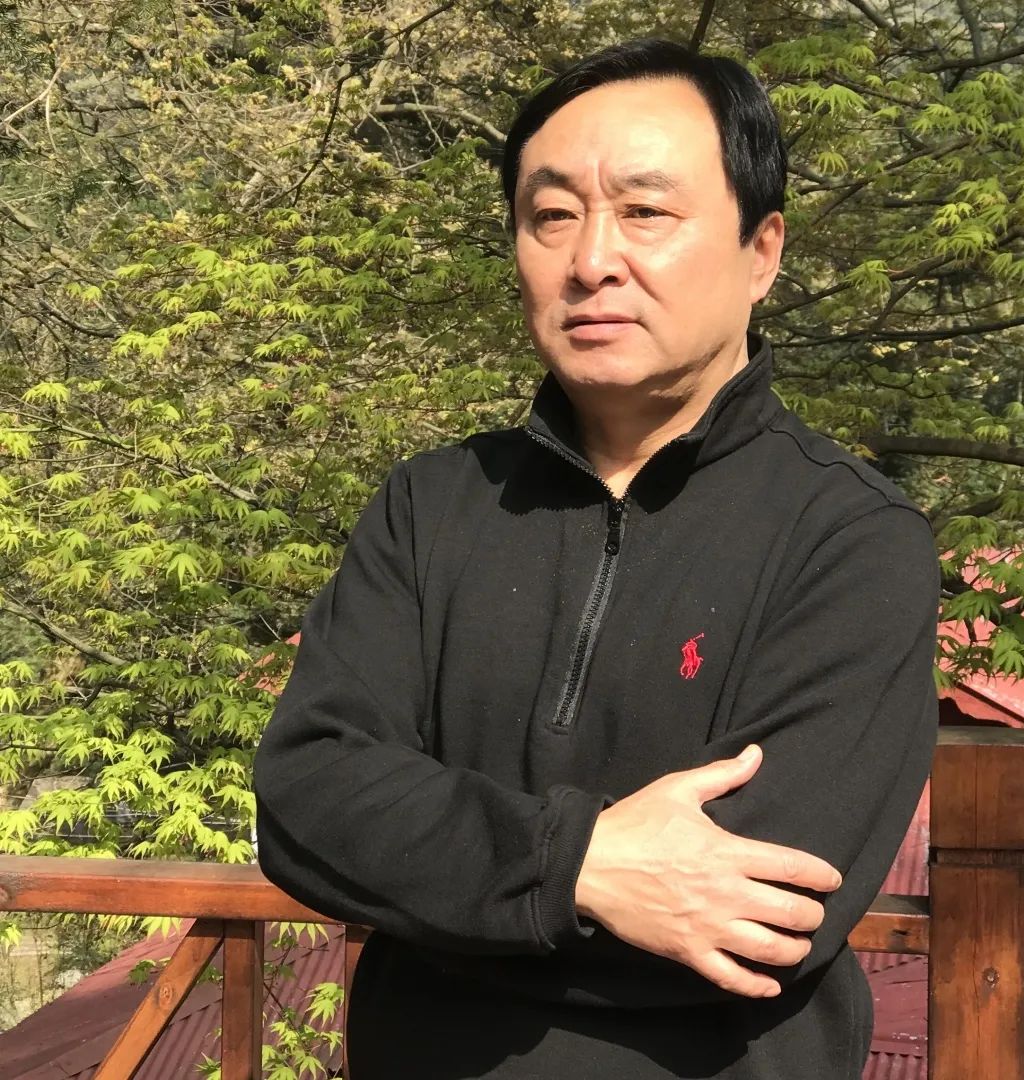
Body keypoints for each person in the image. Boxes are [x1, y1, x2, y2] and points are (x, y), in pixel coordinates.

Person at [253, 37, 940, 1079]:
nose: (590, 261)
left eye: (646, 211)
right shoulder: (431, 507)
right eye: (552, 215)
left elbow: (770, 913)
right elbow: (308, 803)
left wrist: (447, 886)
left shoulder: (849, 536)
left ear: (762, 251)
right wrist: (578, 868)